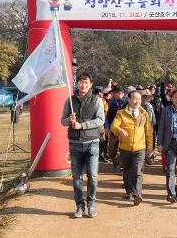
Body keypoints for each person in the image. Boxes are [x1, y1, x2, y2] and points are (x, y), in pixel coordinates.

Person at [61, 72, 104, 218]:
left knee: (93, 175)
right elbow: (62, 122)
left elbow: (100, 120)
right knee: (77, 177)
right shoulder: (70, 100)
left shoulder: (96, 100)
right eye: (80, 82)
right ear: (77, 83)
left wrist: (82, 126)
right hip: (75, 144)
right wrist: (69, 119)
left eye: (86, 82)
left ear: (90, 84)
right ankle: (79, 205)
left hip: (92, 143)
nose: (83, 85)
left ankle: (91, 203)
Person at [110, 91, 153, 206]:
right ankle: (129, 191)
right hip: (125, 148)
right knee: (127, 171)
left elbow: (149, 132)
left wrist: (150, 147)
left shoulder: (144, 114)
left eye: (139, 99)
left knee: (138, 171)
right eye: (135, 99)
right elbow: (113, 126)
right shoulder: (121, 113)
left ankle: (137, 194)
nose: (137, 101)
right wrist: (120, 130)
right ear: (128, 100)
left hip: (140, 148)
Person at [106, 84, 128, 172]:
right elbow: (108, 117)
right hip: (114, 129)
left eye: (115, 93)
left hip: (125, 130)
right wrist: (107, 127)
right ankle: (115, 162)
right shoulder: (111, 103)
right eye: (113, 93)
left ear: (122, 93)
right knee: (111, 150)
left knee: (124, 149)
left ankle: (123, 165)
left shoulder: (128, 103)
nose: (113, 94)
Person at [140, 89, 156, 165]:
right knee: (148, 143)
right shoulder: (147, 105)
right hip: (148, 127)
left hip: (144, 127)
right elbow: (150, 118)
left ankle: (147, 157)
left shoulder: (143, 104)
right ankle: (148, 157)